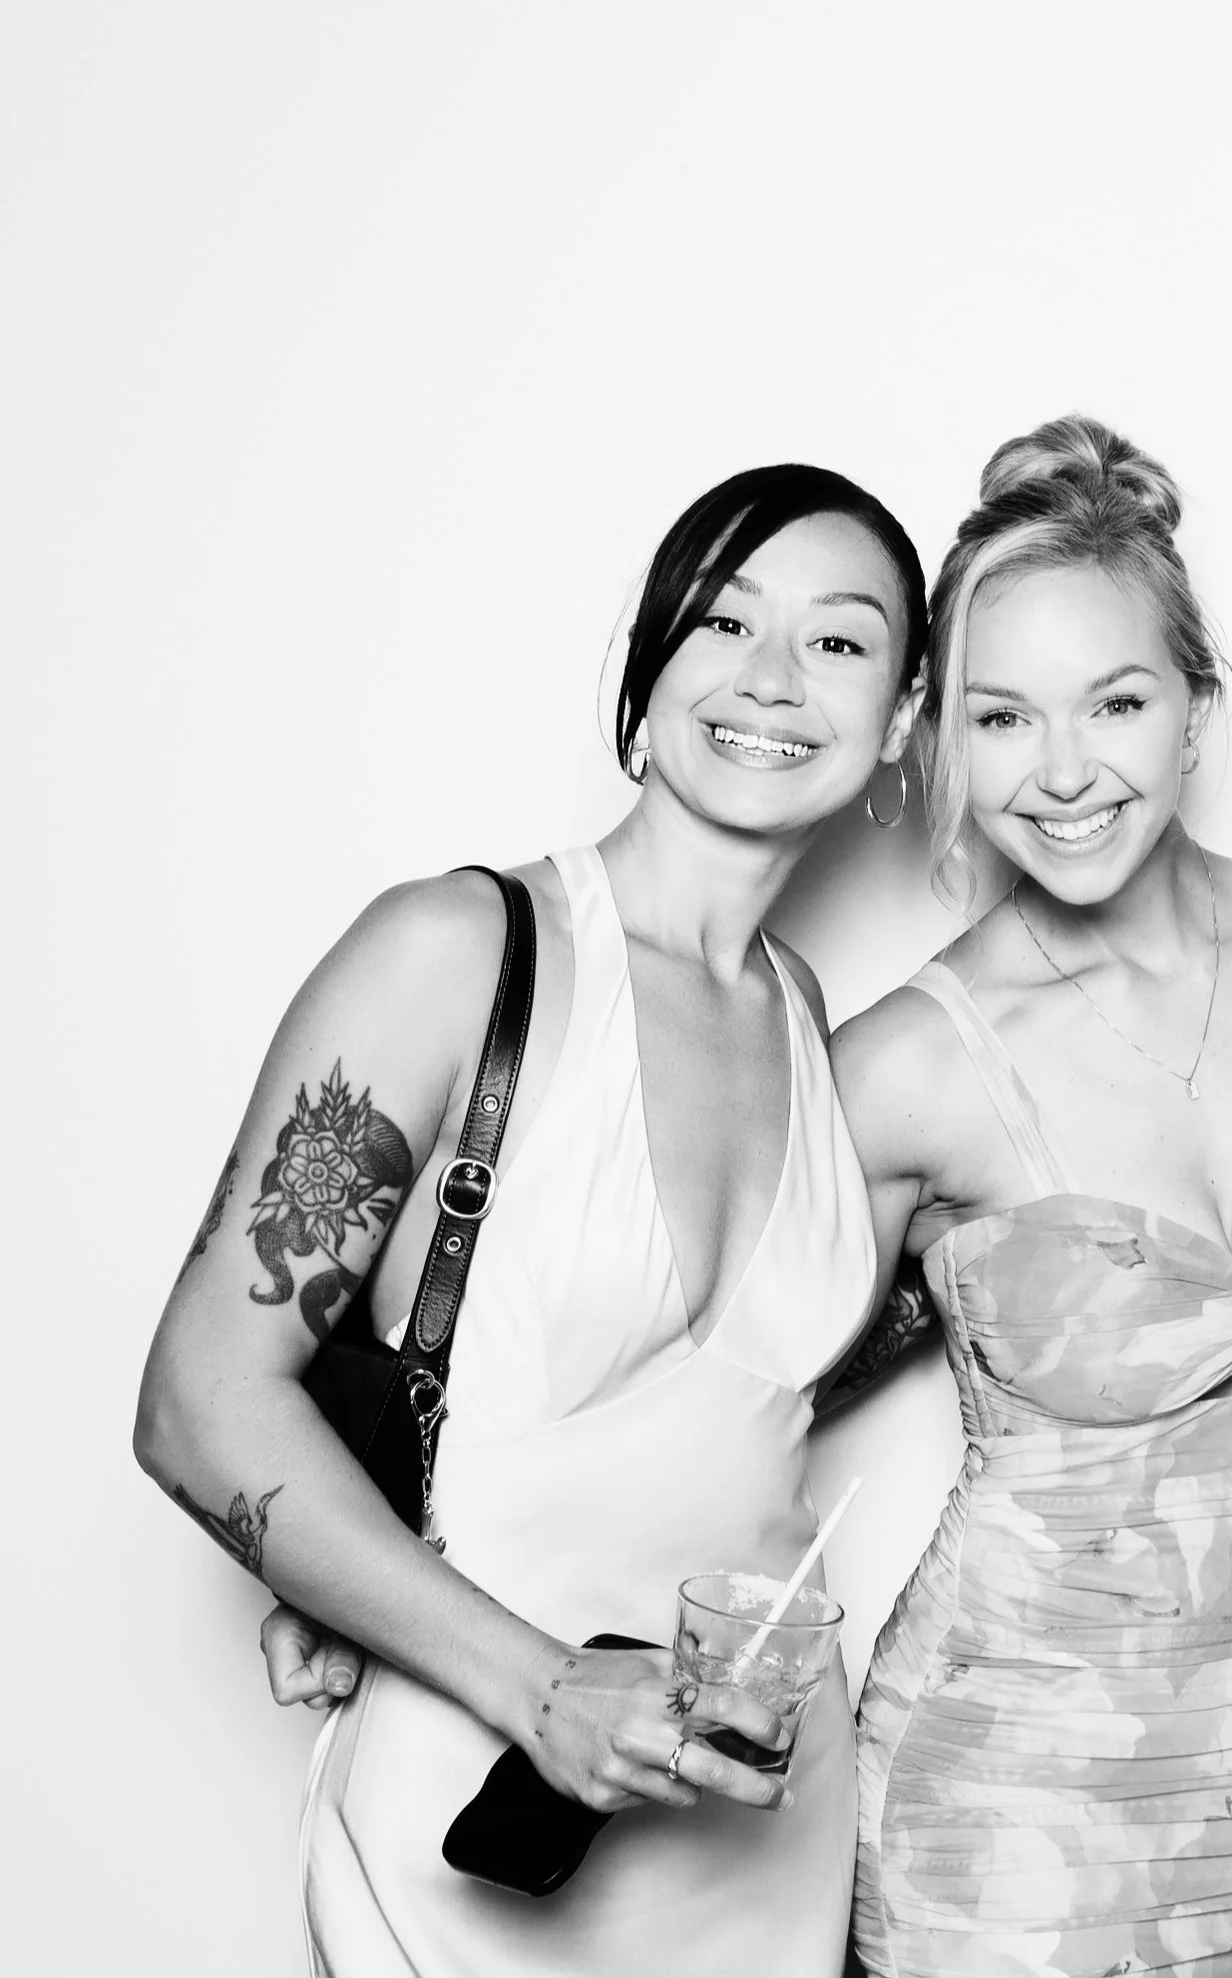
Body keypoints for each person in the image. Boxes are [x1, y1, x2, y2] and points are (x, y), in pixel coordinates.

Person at [132, 463, 928, 1976]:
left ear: (897, 721)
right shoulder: (456, 954)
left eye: (838, 641)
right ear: (649, 664)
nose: (770, 677)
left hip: (760, 1825)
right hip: (472, 1796)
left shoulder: (810, 1018)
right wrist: (538, 1682)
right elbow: (199, 1398)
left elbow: (739, 1396)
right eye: (724, 622)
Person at [829, 414, 1232, 1976]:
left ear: (1198, 712)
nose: (1066, 771)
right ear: (942, 734)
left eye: (1119, 702)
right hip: (1000, 1796)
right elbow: (715, 1397)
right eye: (1003, 716)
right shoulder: (906, 1067)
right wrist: (426, 1586)